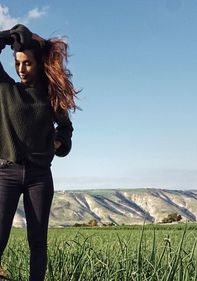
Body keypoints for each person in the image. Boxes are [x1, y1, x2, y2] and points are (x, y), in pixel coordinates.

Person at [0, 24, 79, 280]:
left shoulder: (49, 95)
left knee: (38, 243)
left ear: (39, 63)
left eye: (28, 63)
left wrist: (57, 143)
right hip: (6, 174)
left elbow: (66, 128)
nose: (21, 69)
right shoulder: (5, 89)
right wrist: (15, 34)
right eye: (18, 63)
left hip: (39, 177)